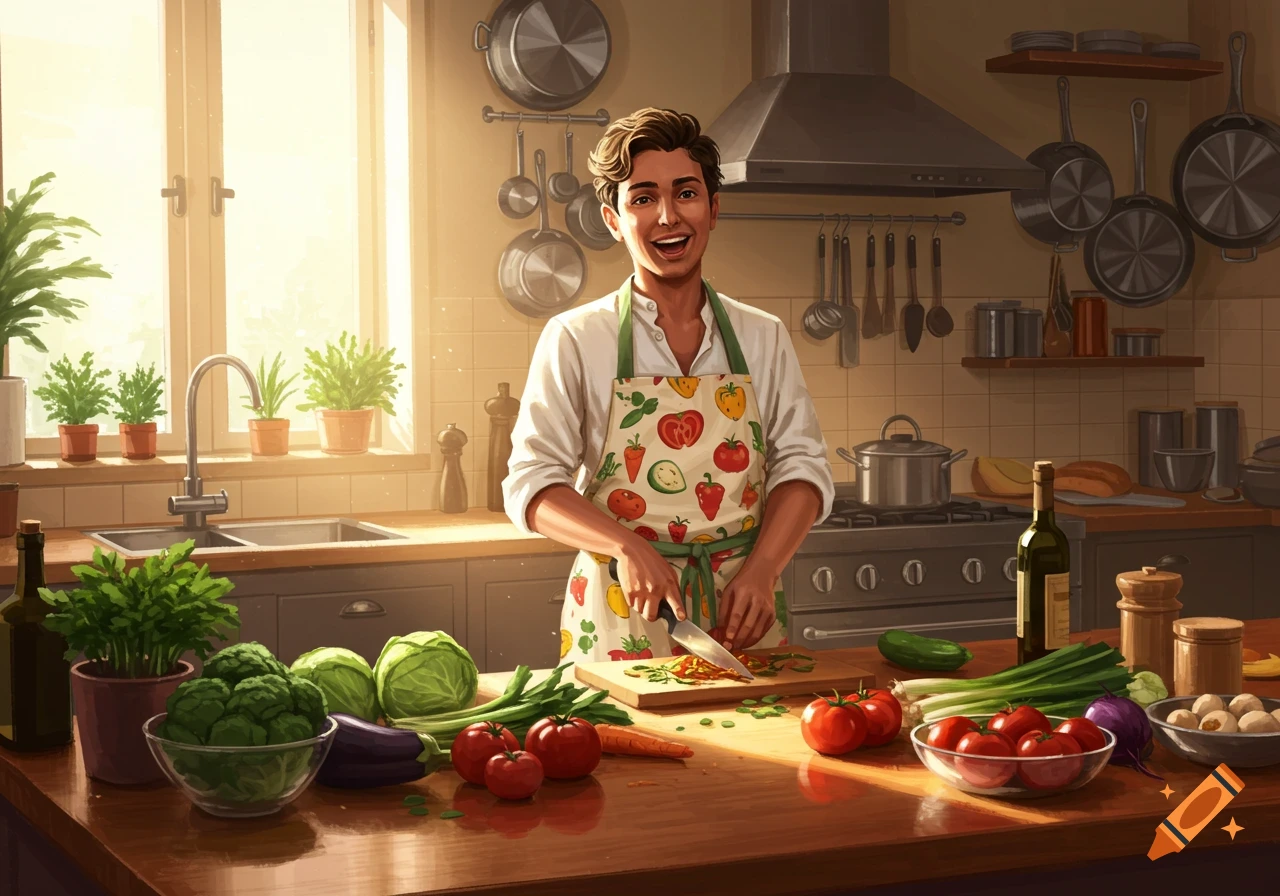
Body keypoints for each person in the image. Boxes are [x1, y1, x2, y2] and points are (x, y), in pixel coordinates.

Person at [502, 107, 834, 666]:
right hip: (619, 611)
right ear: (613, 219)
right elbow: (532, 486)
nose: (668, 217)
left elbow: (802, 467)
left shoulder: (764, 336)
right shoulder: (576, 337)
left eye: (686, 193)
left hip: (742, 613)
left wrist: (763, 569)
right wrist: (625, 545)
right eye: (642, 198)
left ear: (713, 208)